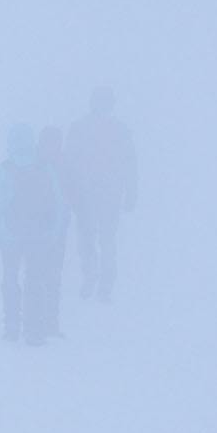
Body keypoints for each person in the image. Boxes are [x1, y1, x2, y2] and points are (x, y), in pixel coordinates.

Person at [0, 123, 63, 345]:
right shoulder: (45, 167)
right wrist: (53, 234)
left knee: (10, 280)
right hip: (39, 236)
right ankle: (33, 330)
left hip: (10, 236)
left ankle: (11, 327)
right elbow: (58, 203)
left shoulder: (3, 169)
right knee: (35, 281)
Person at [63, 86, 137, 302]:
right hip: (94, 195)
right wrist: (130, 194)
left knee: (96, 239)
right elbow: (69, 163)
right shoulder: (116, 130)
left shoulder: (85, 128)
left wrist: (131, 193)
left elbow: (130, 165)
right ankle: (99, 281)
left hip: (96, 195)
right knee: (101, 240)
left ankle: (97, 280)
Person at [35, 125, 70, 338]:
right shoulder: (55, 163)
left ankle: (46, 322)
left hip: (51, 227)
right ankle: (43, 322)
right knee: (44, 275)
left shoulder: (60, 163)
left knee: (47, 275)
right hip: (44, 227)